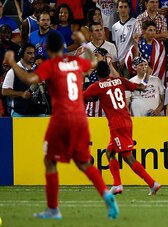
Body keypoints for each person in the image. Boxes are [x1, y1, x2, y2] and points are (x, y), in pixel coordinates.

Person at [3, 31, 118, 219]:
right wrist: (83, 44)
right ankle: (106, 194)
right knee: (82, 162)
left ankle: (53, 209)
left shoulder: (51, 65)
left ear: (48, 49)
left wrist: (13, 62)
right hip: (80, 118)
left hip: (62, 119)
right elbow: (93, 63)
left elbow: (29, 79)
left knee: (50, 161)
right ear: (63, 47)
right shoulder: (75, 62)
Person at [83, 61, 161, 195]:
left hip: (116, 124)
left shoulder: (97, 86)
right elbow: (138, 87)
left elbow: (82, 96)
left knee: (127, 157)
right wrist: (144, 84)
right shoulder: (119, 80)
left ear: (97, 74)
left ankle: (152, 183)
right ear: (108, 71)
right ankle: (117, 185)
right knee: (109, 153)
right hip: (127, 120)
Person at [2, 43, 49, 117]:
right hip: (20, 113)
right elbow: (4, 91)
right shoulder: (13, 71)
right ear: (21, 54)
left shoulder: (38, 69)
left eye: (33, 53)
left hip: (39, 112)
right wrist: (21, 94)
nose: (33, 56)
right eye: (29, 53)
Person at [111, 0, 136, 77]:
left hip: (130, 60)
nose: (123, 9)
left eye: (125, 7)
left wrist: (125, 58)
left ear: (129, 9)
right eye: (121, 7)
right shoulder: (114, 26)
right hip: (118, 63)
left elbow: (135, 42)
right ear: (117, 9)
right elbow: (115, 46)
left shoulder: (135, 22)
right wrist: (116, 61)